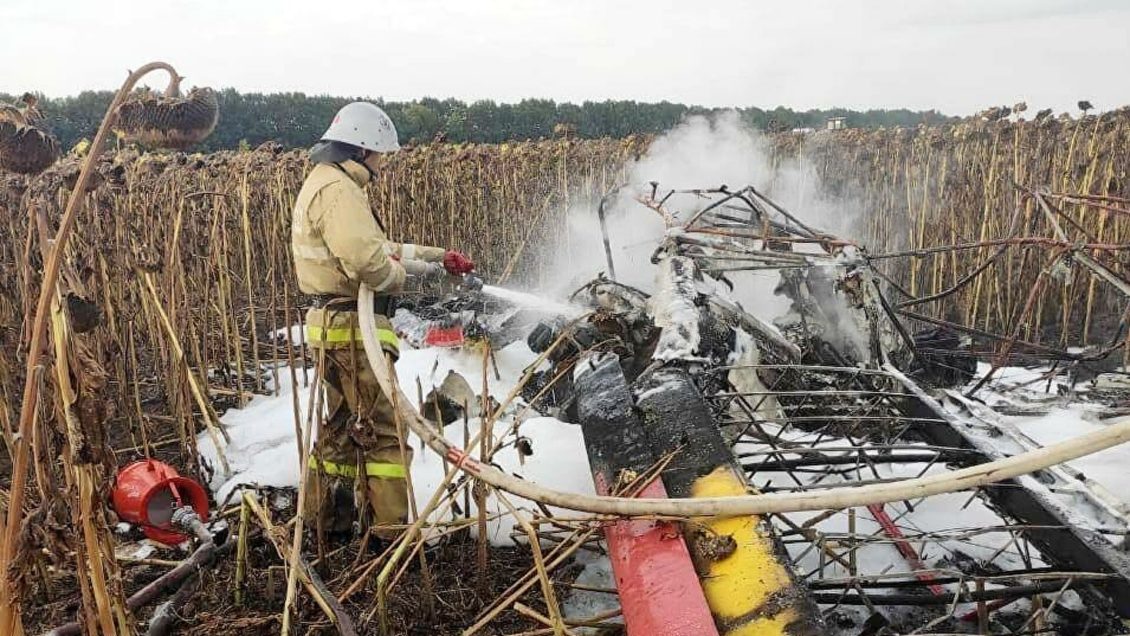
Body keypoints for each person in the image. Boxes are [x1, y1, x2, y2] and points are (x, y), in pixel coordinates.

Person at [291, 102, 475, 540]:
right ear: (360, 150)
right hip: (354, 330)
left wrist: (436, 261)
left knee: (340, 429)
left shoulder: (326, 183)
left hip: (333, 327)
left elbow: (377, 246)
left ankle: (325, 521)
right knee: (385, 430)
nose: (382, 164)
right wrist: (396, 281)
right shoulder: (339, 191)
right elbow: (367, 261)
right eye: (379, 155)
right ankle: (392, 533)